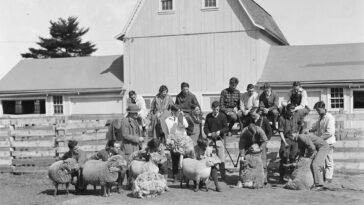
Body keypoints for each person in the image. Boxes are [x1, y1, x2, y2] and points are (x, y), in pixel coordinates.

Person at [278, 103, 306, 183]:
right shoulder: (281, 118)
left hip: (295, 139)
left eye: (293, 111)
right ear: (287, 110)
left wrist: (298, 133)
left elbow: (301, 124)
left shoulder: (297, 115)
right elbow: (281, 131)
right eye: (291, 112)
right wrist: (284, 142)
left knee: (293, 157)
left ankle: (292, 177)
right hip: (286, 139)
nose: (292, 113)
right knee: (284, 157)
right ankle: (281, 177)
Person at [310, 101, 336, 183]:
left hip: (328, 142)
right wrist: (310, 130)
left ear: (324, 108)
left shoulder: (329, 118)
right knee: (321, 161)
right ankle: (323, 177)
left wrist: (319, 139)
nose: (318, 112)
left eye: (319, 110)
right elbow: (316, 127)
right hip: (321, 143)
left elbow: (330, 132)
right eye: (317, 110)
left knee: (328, 161)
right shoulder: (320, 118)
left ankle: (328, 178)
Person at [203, 101, 229, 181]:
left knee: (221, 158)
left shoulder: (223, 116)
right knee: (208, 157)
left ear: (219, 108)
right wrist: (208, 133)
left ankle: (223, 176)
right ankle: (208, 175)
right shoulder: (208, 116)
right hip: (210, 140)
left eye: (217, 109)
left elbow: (226, 128)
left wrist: (219, 132)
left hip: (219, 139)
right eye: (214, 109)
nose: (215, 111)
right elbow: (205, 128)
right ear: (212, 108)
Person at [165, 104, 189, 182]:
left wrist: (181, 118)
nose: (178, 112)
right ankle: (175, 176)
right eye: (176, 111)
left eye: (179, 110)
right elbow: (171, 130)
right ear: (172, 111)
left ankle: (184, 176)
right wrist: (177, 121)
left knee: (183, 158)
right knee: (174, 159)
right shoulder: (167, 120)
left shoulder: (182, 117)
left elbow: (186, 125)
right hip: (174, 141)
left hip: (182, 140)